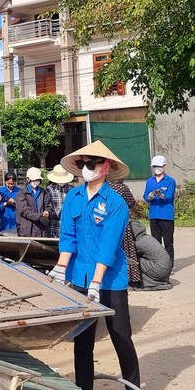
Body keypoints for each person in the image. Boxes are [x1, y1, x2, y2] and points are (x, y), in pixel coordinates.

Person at [48, 140, 140, 390]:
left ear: (106, 167)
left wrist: (98, 282)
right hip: (80, 277)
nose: (86, 168)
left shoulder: (115, 203)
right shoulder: (73, 198)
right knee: (83, 340)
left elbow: (109, 247)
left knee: (120, 335)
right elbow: (68, 237)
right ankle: (84, 386)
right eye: (82, 163)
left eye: (92, 163)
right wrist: (60, 267)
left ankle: (133, 385)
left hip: (111, 280)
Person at [144, 155, 176, 270]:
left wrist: (161, 195)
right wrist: (150, 196)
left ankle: (169, 266)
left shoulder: (170, 181)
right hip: (154, 215)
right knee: (156, 244)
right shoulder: (149, 182)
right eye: (155, 166)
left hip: (166, 216)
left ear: (165, 166)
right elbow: (145, 196)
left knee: (168, 243)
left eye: (159, 166)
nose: (157, 168)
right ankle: (158, 266)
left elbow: (169, 197)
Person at [110, 180, 142, 286]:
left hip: (105, 224)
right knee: (126, 250)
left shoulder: (101, 187)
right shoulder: (122, 188)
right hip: (121, 223)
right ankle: (128, 279)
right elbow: (131, 203)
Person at [129, 220, 173, 291]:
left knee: (131, 260)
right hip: (166, 268)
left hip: (160, 269)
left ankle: (139, 282)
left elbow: (128, 255)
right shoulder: (147, 237)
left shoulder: (139, 242)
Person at [15, 167, 52, 237]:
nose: (36, 181)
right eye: (34, 179)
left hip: (42, 229)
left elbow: (48, 206)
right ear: (28, 179)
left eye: (38, 179)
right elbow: (24, 210)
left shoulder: (43, 192)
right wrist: (40, 216)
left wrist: (47, 212)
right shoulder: (22, 193)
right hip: (27, 230)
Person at [46, 164, 74, 238]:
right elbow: (47, 206)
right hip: (53, 225)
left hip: (68, 224)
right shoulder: (49, 189)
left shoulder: (72, 189)